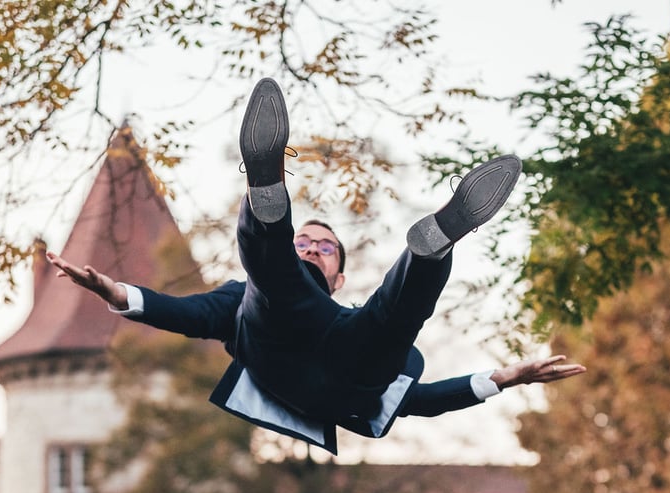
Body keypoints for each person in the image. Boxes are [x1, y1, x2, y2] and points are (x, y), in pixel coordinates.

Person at [47, 78, 585, 453]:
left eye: (324, 248)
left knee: (392, 323)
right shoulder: (247, 298)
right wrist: (117, 292)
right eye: (303, 240)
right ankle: (267, 194)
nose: (311, 248)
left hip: (348, 377)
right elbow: (183, 313)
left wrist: (501, 379)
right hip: (278, 347)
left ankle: (432, 247)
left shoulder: (347, 319)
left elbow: (420, 402)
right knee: (270, 280)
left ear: (341, 278)